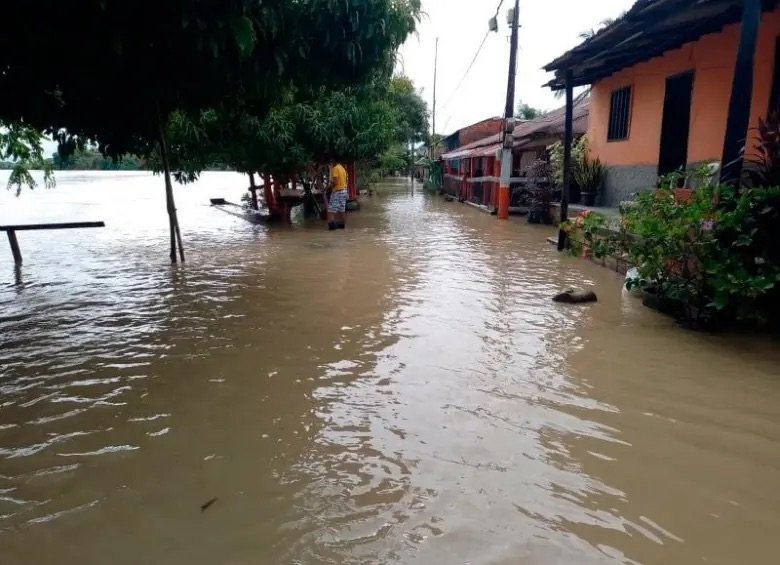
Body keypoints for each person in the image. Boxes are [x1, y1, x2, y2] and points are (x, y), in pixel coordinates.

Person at [327, 158, 348, 230]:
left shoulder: (335, 169)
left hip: (337, 191)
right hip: (344, 191)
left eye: (330, 163)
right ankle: (342, 226)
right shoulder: (342, 168)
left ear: (332, 162)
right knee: (341, 210)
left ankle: (332, 229)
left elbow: (335, 182)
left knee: (331, 211)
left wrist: (328, 187)